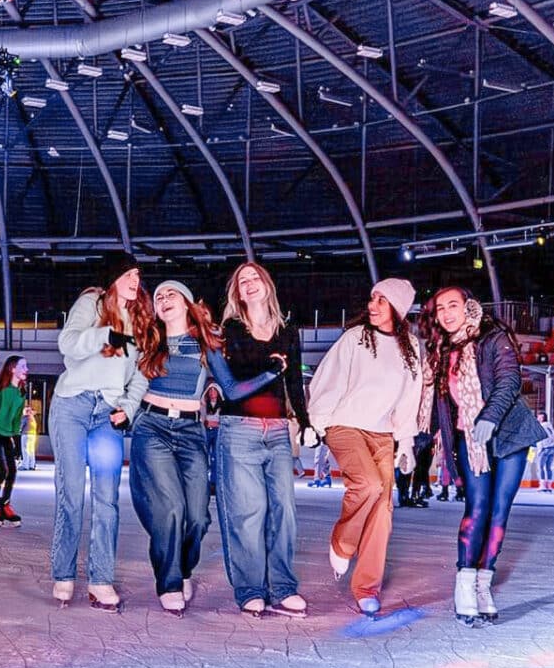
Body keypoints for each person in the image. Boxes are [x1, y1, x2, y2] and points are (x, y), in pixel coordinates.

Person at [131, 279, 284, 616]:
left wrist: (270, 374)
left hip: (190, 431)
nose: (164, 299)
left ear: (187, 303)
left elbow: (230, 388)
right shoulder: (146, 340)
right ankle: (169, 581)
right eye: (158, 296)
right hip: (151, 426)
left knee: (198, 517)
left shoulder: (205, 344)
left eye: (172, 293)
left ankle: (183, 568)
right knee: (170, 509)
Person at [418, 287, 545, 625]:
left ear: (468, 307)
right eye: (440, 308)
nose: (446, 313)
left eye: (453, 305)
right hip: (469, 438)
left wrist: (489, 417)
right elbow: (433, 405)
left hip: (509, 435)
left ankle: (484, 583)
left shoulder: (493, 337)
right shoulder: (441, 351)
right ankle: (464, 583)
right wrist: (413, 441)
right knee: (477, 507)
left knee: (499, 510)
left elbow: (509, 381)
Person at [307, 278, 423, 617]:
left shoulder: (412, 347)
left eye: (381, 301)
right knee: (368, 484)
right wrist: (319, 421)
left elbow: (409, 397)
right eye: (372, 298)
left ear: (397, 309)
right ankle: (343, 543)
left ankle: (367, 587)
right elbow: (327, 377)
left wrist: (406, 441)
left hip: (383, 433)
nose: (372, 305)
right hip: (344, 424)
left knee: (383, 509)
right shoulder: (356, 338)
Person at [50, 258, 155, 610]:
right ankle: (64, 574)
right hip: (73, 405)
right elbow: (68, 343)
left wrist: (129, 405)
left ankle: (100, 579)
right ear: (112, 280)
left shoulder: (141, 321)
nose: (134, 279)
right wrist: (105, 334)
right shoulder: (91, 303)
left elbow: (141, 373)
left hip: (107, 416)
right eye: (127, 274)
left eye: (137, 275)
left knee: (107, 499)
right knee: (72, 493)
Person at [215, 261, 317, 618]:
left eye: (255, 277)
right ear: (237, 292)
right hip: (239, 429)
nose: (250, 284)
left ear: (267, 284)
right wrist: (272, 364)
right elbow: (240, 370)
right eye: (243, 281)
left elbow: (292, 383)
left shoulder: (288, 329)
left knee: (283, 512)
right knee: (248, 512)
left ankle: (283, 587)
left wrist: (304, 421)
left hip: (276, 431)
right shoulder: (231, 328)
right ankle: (250, 590)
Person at [0, 356, 29, 526]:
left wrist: (16, 444)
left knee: (12, 471)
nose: (27, 369)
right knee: (2, 471)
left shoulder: (21, 393)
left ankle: (5, 504)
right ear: (12, 369)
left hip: (6, 435)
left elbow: (17, 420)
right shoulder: (0, 390)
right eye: (23, 366)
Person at [535, 411, 554, 492]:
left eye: (539, 417)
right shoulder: (550, 426)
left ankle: (543, 485)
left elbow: (540, 439)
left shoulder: (541, 426)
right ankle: (549, 486)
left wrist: (540, 450)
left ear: (542, 418)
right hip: (552, 448)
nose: (537, 418)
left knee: (540, 467)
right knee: (548, 468)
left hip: (544, 449)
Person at [20, 405, 38, 470]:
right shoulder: (33, 418)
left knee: (25, 450)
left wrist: (18, 431)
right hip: (33, 435)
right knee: (31, 451)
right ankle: (32, 465)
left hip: (26, 435)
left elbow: (20, 427)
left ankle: (25, 465)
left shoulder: (25, 417)